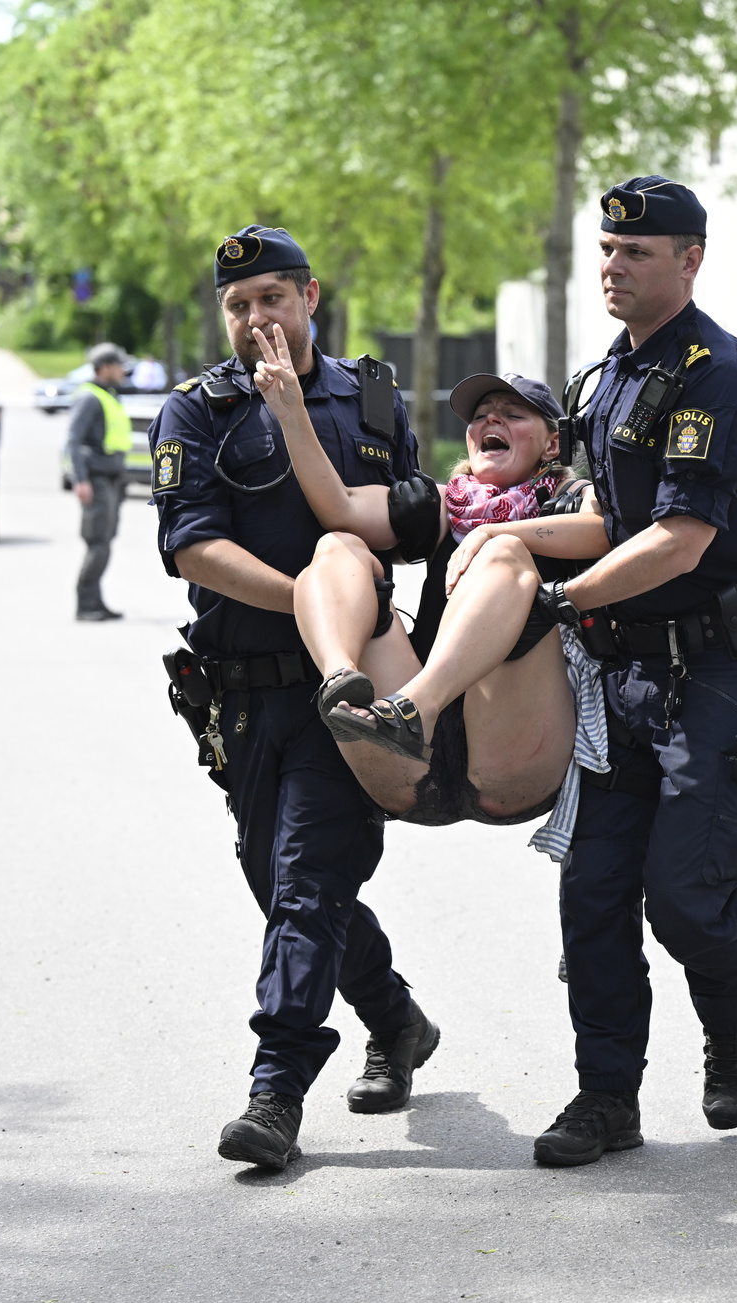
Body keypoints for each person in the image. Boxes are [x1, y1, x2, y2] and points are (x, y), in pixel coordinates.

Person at [150, 225, 440, 1171]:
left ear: (311, 296)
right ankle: (395, 1021)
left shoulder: (372, 397)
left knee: (309, 882)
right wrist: (313, 601)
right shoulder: (197, 411)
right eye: (237, 305)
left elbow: (398, 528)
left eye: (271, 297)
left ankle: (275, 1091)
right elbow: (192, 547)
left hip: (342, 695)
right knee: (279, 886)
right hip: (239, 696)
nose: (254, 318)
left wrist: (350, 631)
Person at [532, 175, 737, 1169]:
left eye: (637, 253)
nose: (614, 266)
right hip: (622, 676)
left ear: (690, 260)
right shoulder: (609, 377)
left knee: (683, 892)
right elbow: (613, 520)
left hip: (723, 672)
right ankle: (607, 1099)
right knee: (593, 892)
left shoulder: (716, 375)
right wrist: (505, 540)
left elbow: (681, 539)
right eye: (606, 250)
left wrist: (563, 598)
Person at [268, 358, 606, 826]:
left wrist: (495, 535)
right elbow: (339, 507)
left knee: (503, 552)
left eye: (513, 413)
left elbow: (603, 532)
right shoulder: (446, 504)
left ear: (552, 443)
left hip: (514, 754)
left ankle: (418, 705)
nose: (492, 419)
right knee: (337, 547)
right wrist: (291, 417)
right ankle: (340, 683)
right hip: (405, 758)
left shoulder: (573, 497)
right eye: (483, 413)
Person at [69, 342, 133, 622]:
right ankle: (86, 605)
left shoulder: (108, 395)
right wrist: (81, 480)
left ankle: (96, 602)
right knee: (98, 543)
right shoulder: (90, 398)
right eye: (119, 365)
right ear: (105, 368)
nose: (123, 370)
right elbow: (73, 441)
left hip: (111, 479)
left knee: (105, 542)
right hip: (96, 479)